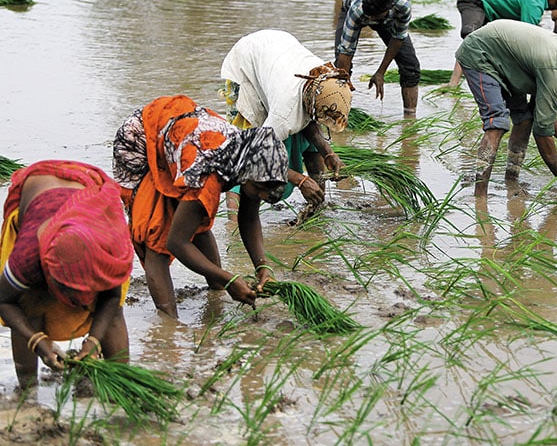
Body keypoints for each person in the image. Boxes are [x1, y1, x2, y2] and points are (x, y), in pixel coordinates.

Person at [112, 95, 289, 318]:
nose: (262, 195)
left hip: (179, 135)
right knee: (156, 235)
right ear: (248, 173)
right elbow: (176, 243)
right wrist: (229, 279)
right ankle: (169, 324)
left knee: (195, 219)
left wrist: (263, 266)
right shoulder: (208, 175)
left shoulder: (249, 160)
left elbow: (249, 217)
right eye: (261, 188)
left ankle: (215, 293)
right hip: (141, 142)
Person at [0, 160, 133, 388]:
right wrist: (38, 341)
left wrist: (93, 342)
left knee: (113, 312)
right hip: (38, 191)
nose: (78, 303)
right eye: (67, 290)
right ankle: (27, 392)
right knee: (27, 303)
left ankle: (120, 383)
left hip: (87, 190)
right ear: (48, 272)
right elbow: (3, 299)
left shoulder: (108, 251)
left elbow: (111, 297)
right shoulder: (27, 256)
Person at [455, 19, 557, 197]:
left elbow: (542, 113)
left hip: (506, 61)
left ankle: (511, 180)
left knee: (525, 119)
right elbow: (542, 133)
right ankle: (480, 195)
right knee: (497, 123)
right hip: (480, 54)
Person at [221, 29, 352, 212]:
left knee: (309, 138)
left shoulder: (325, 78)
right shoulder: (284, 112)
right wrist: (301, 180)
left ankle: (316, 207)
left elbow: (311, 121)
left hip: (276, 52)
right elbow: (258, 153)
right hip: (246, 64)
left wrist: (328, 153)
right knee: (244, 148)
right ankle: (233, 223)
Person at [450, 0, 557, 86]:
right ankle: (454, 83)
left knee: (488, 45)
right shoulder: (535, 2)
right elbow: (527, 39)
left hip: (491, 8)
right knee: (471, 40)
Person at [334, 0, 420, 115]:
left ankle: (410, 119)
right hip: (352, 7)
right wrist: (343, 82)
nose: (370, 21)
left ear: (390, 7)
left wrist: (381, 72)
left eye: (374, 17)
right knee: (340, 67)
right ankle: (339, 114)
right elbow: (346, 51)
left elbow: (398, 38)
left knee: (410, 65)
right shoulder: (358, 10)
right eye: (369, 16)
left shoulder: (402, 6)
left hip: (387, 19)